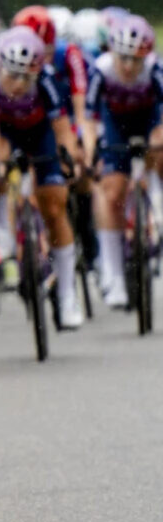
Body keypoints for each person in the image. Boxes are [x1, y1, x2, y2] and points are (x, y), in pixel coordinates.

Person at [0, 26, 84, 328]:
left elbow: (62, 131)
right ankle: (3, 235)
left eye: (26, 78)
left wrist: (69, 162)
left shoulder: (47, 82)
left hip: (39, 134)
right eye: (12, 75)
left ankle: (68, 293)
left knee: (55, 206)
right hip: (5, 132)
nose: (18, 84)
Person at [81, 15, 163, 308]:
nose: (128, 67)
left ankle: (156, 203)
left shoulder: (155, 70)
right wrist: (91, 151)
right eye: (123, 58)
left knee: (159, 149)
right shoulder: (101, 71)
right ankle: (113, 274)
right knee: (112, 190)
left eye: (135, 60)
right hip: (116, 124)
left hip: (150, 119)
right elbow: (88, 119)